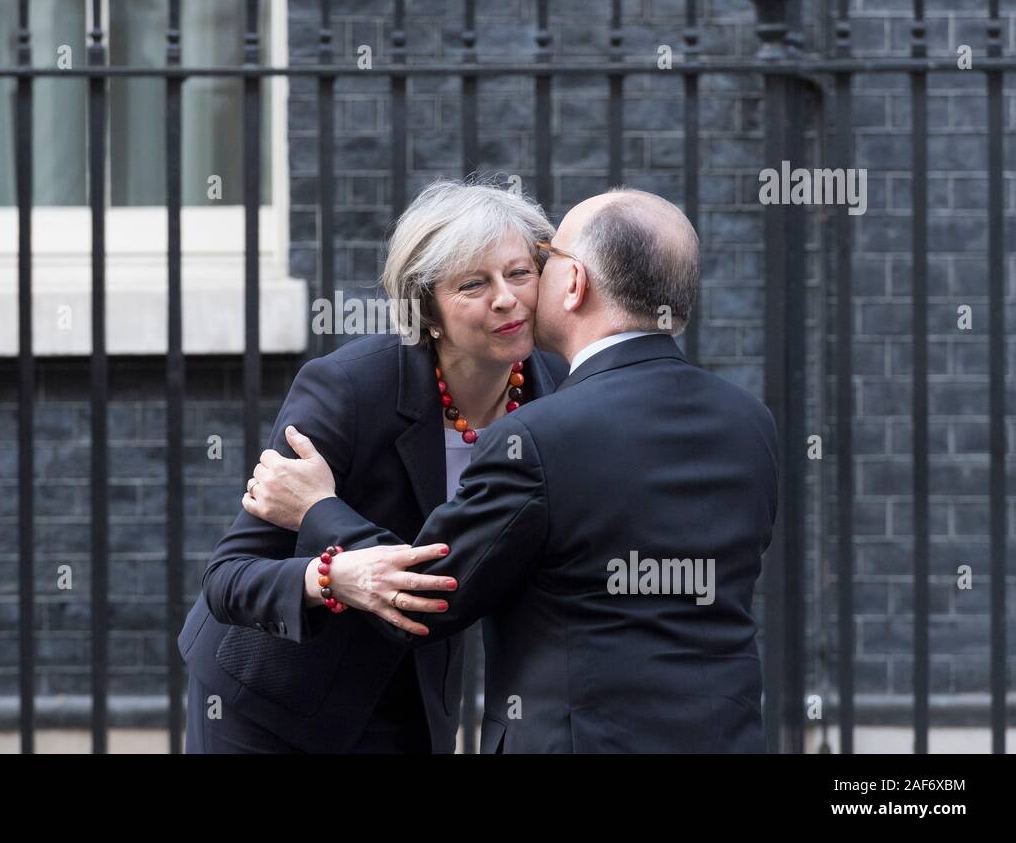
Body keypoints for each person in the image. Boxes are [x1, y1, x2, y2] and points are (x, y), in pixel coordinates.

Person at [248, 189, 778, 753]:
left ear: (573, 284)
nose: (517, 293)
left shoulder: (537, 436)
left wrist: (319, 510)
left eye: (542, 261)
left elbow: (430, 597)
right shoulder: (750, 421)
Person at [177, 179, 567, 752]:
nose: (506, 298)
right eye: (472, 284)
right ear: (426, 307)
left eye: (519, 273)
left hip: (413, 700)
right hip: (268, 705)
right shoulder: (351, 388)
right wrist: (333, 578)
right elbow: (228, 579)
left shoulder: (554, 390)